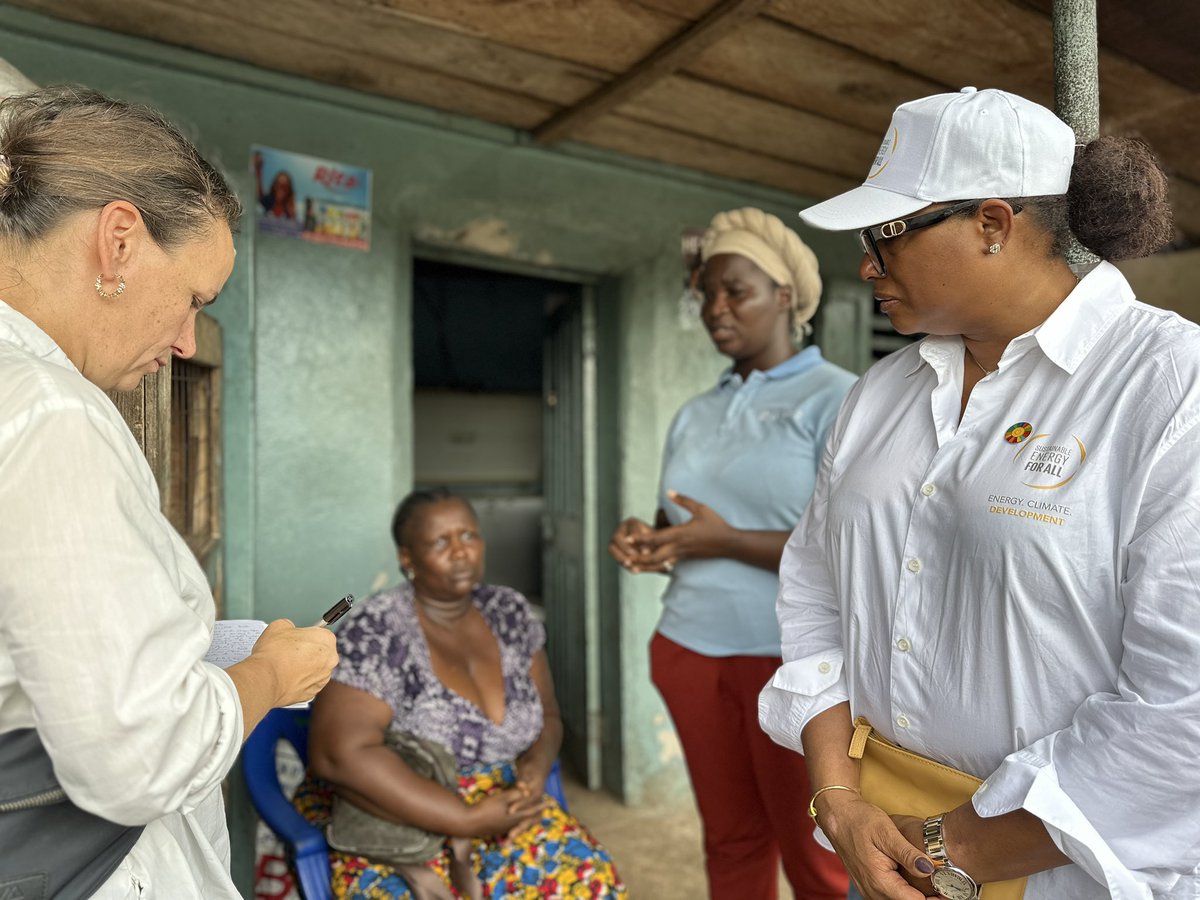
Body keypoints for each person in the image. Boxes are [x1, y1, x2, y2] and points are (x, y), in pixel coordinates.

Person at [758, 86, 1196, 900]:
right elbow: (816, 591)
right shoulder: (879, 395)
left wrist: (942, 855)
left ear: (993, 223)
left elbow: (1184, 710)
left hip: (1066, 868)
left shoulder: (1169, 388)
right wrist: (843, 805)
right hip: (881, 850)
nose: (865, 264)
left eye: (884, 235)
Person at [0, 86, 339, 897]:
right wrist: (271, 676)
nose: (188, 342)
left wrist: (203, 646)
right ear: (118, 240)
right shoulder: (48, 415)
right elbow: (135, 757)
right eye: (193, 297)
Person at [608, 208, 855, 899]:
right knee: (731, 840)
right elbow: (677, 518)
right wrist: (648, 537)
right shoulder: (694, 412)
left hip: (791, 661)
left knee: (819, 854)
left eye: (735, 291)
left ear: (786, 295)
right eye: (707, 294)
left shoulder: (838, 400)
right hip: (689, 650)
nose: (716, 308)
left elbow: (852, 548)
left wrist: (724, 542)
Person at [303, 488, 626, 899]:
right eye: (441, 542)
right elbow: (339, 755)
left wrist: (532, 773)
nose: (460, 552)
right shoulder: (378, 630)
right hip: (404, 820)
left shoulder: (509, 613)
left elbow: (548, 717)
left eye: (468, 536)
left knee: (590, 880)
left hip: (507, 805)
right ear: (407, 558)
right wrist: (465, 819)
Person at [254, 150, 297, 220]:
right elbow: (259, 193)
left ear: (289, 189)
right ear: (274, 186)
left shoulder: (288, 210)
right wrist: (258, 170)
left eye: (284, 186)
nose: (281, 189)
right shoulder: (268, 202)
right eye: (278, 185)